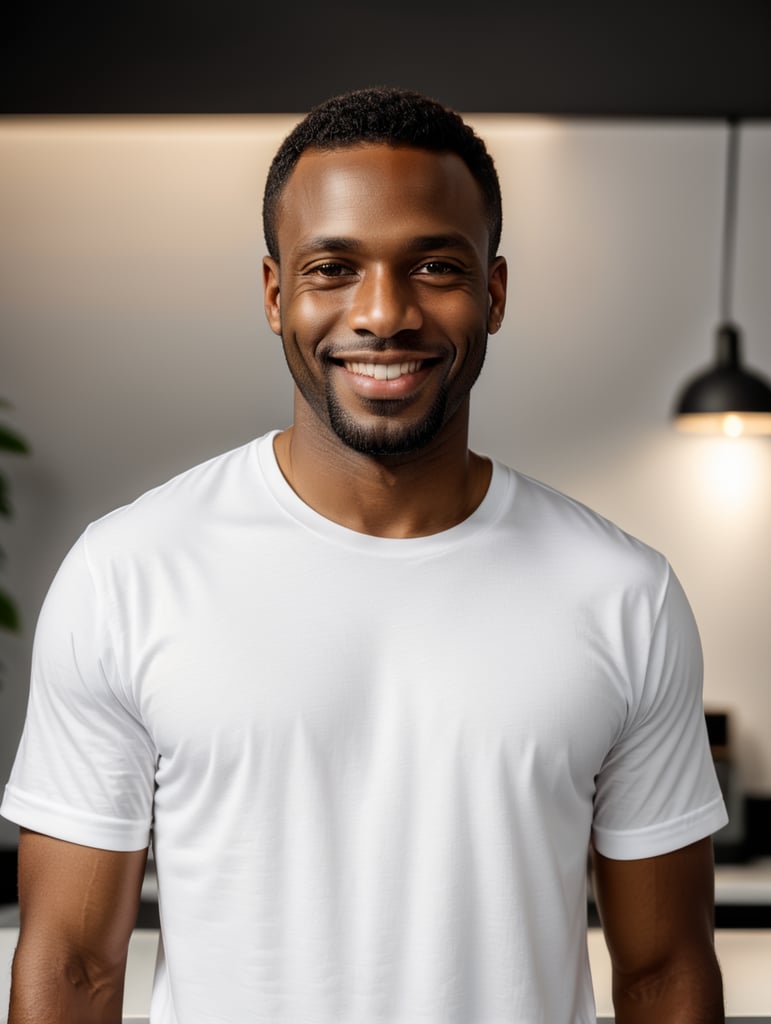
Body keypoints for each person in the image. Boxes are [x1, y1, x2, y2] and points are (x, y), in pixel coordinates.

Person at [2, 87, 728, 1023]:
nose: (384, 313)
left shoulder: (622, 594)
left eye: (434, 266)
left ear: (493, 293)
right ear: (276, 295)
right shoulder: (128, 574)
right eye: (333, 269)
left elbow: (664, 974)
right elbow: (71, 968)